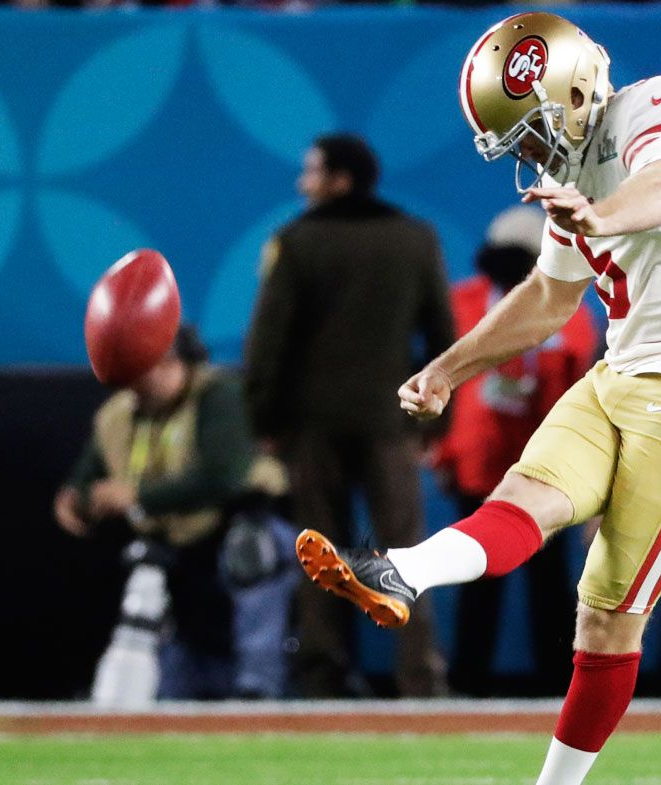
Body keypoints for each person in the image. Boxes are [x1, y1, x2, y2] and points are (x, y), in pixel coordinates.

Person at [295, 13, 661, 784]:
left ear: (576, 88)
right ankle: (403, 570)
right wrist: (448, 368)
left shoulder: (659, 103)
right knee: (519, 497)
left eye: (534, 128)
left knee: (607, 617)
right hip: (621, 375)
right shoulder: (574, 178)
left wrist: (602, 215)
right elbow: (548, 297)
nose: (531, 151)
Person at [244, 133, 453, 698]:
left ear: (340, 180)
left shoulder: (295, 242)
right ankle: (420, 681)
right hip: (392, 426)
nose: (302, 183)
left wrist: (263, 420)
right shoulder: (415, 239)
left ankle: (323, 680)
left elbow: (268, 342)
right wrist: (434, 424)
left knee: (321, 557)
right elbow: (442, 335)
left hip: (311, 429)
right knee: (410, 554)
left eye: (311, 172)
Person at [57, 325, 296, 699]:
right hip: (172, 550)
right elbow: (83, 485)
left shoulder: (218, 395)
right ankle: (156, 689)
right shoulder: (119, 414)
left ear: (178, 363)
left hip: (234, 529)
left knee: (254, 549)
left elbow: (222, 478)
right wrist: (80, 500)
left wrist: (137, 496)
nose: (146, 377)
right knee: (143, 564)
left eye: (159, 364)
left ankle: (259, 684)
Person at [435, 205, 597, 697]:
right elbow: (444, 379)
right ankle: (467, 685)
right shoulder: (462, 302)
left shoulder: (570, 311)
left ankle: (554, 684)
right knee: (475, 576)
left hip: (544, 467)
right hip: (479, 461)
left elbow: (581, 389)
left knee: (549, 584)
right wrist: (445, 454)